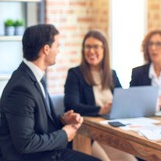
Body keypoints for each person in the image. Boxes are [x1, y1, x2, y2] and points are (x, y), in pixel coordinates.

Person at [0, 24, 99, 161]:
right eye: (57, 46)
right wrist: (64, 134)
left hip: (47, 153)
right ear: (46, 49)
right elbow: (25, 143)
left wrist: (63, 120)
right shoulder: (21, 88)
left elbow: (36, 122)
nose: (58, 51)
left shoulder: (34, 77)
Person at [64, 30, 136, 161]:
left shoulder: (112, 74)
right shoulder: (75, 74)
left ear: (104, 50)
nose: (91, 51)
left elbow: (123, 99)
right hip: (88, 133)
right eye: (88, 46)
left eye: (96, 46)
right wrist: (100, 110)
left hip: (111, 132)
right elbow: (71, 105)